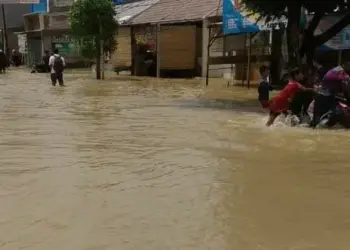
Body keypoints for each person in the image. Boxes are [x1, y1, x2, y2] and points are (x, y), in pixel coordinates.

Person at [310, 63, 350, 128]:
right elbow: (347, 92)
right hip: (326, 99)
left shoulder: (336, 70)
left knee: (316, 123)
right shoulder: (344, 75)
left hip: (320, 96)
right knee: (338, 115)